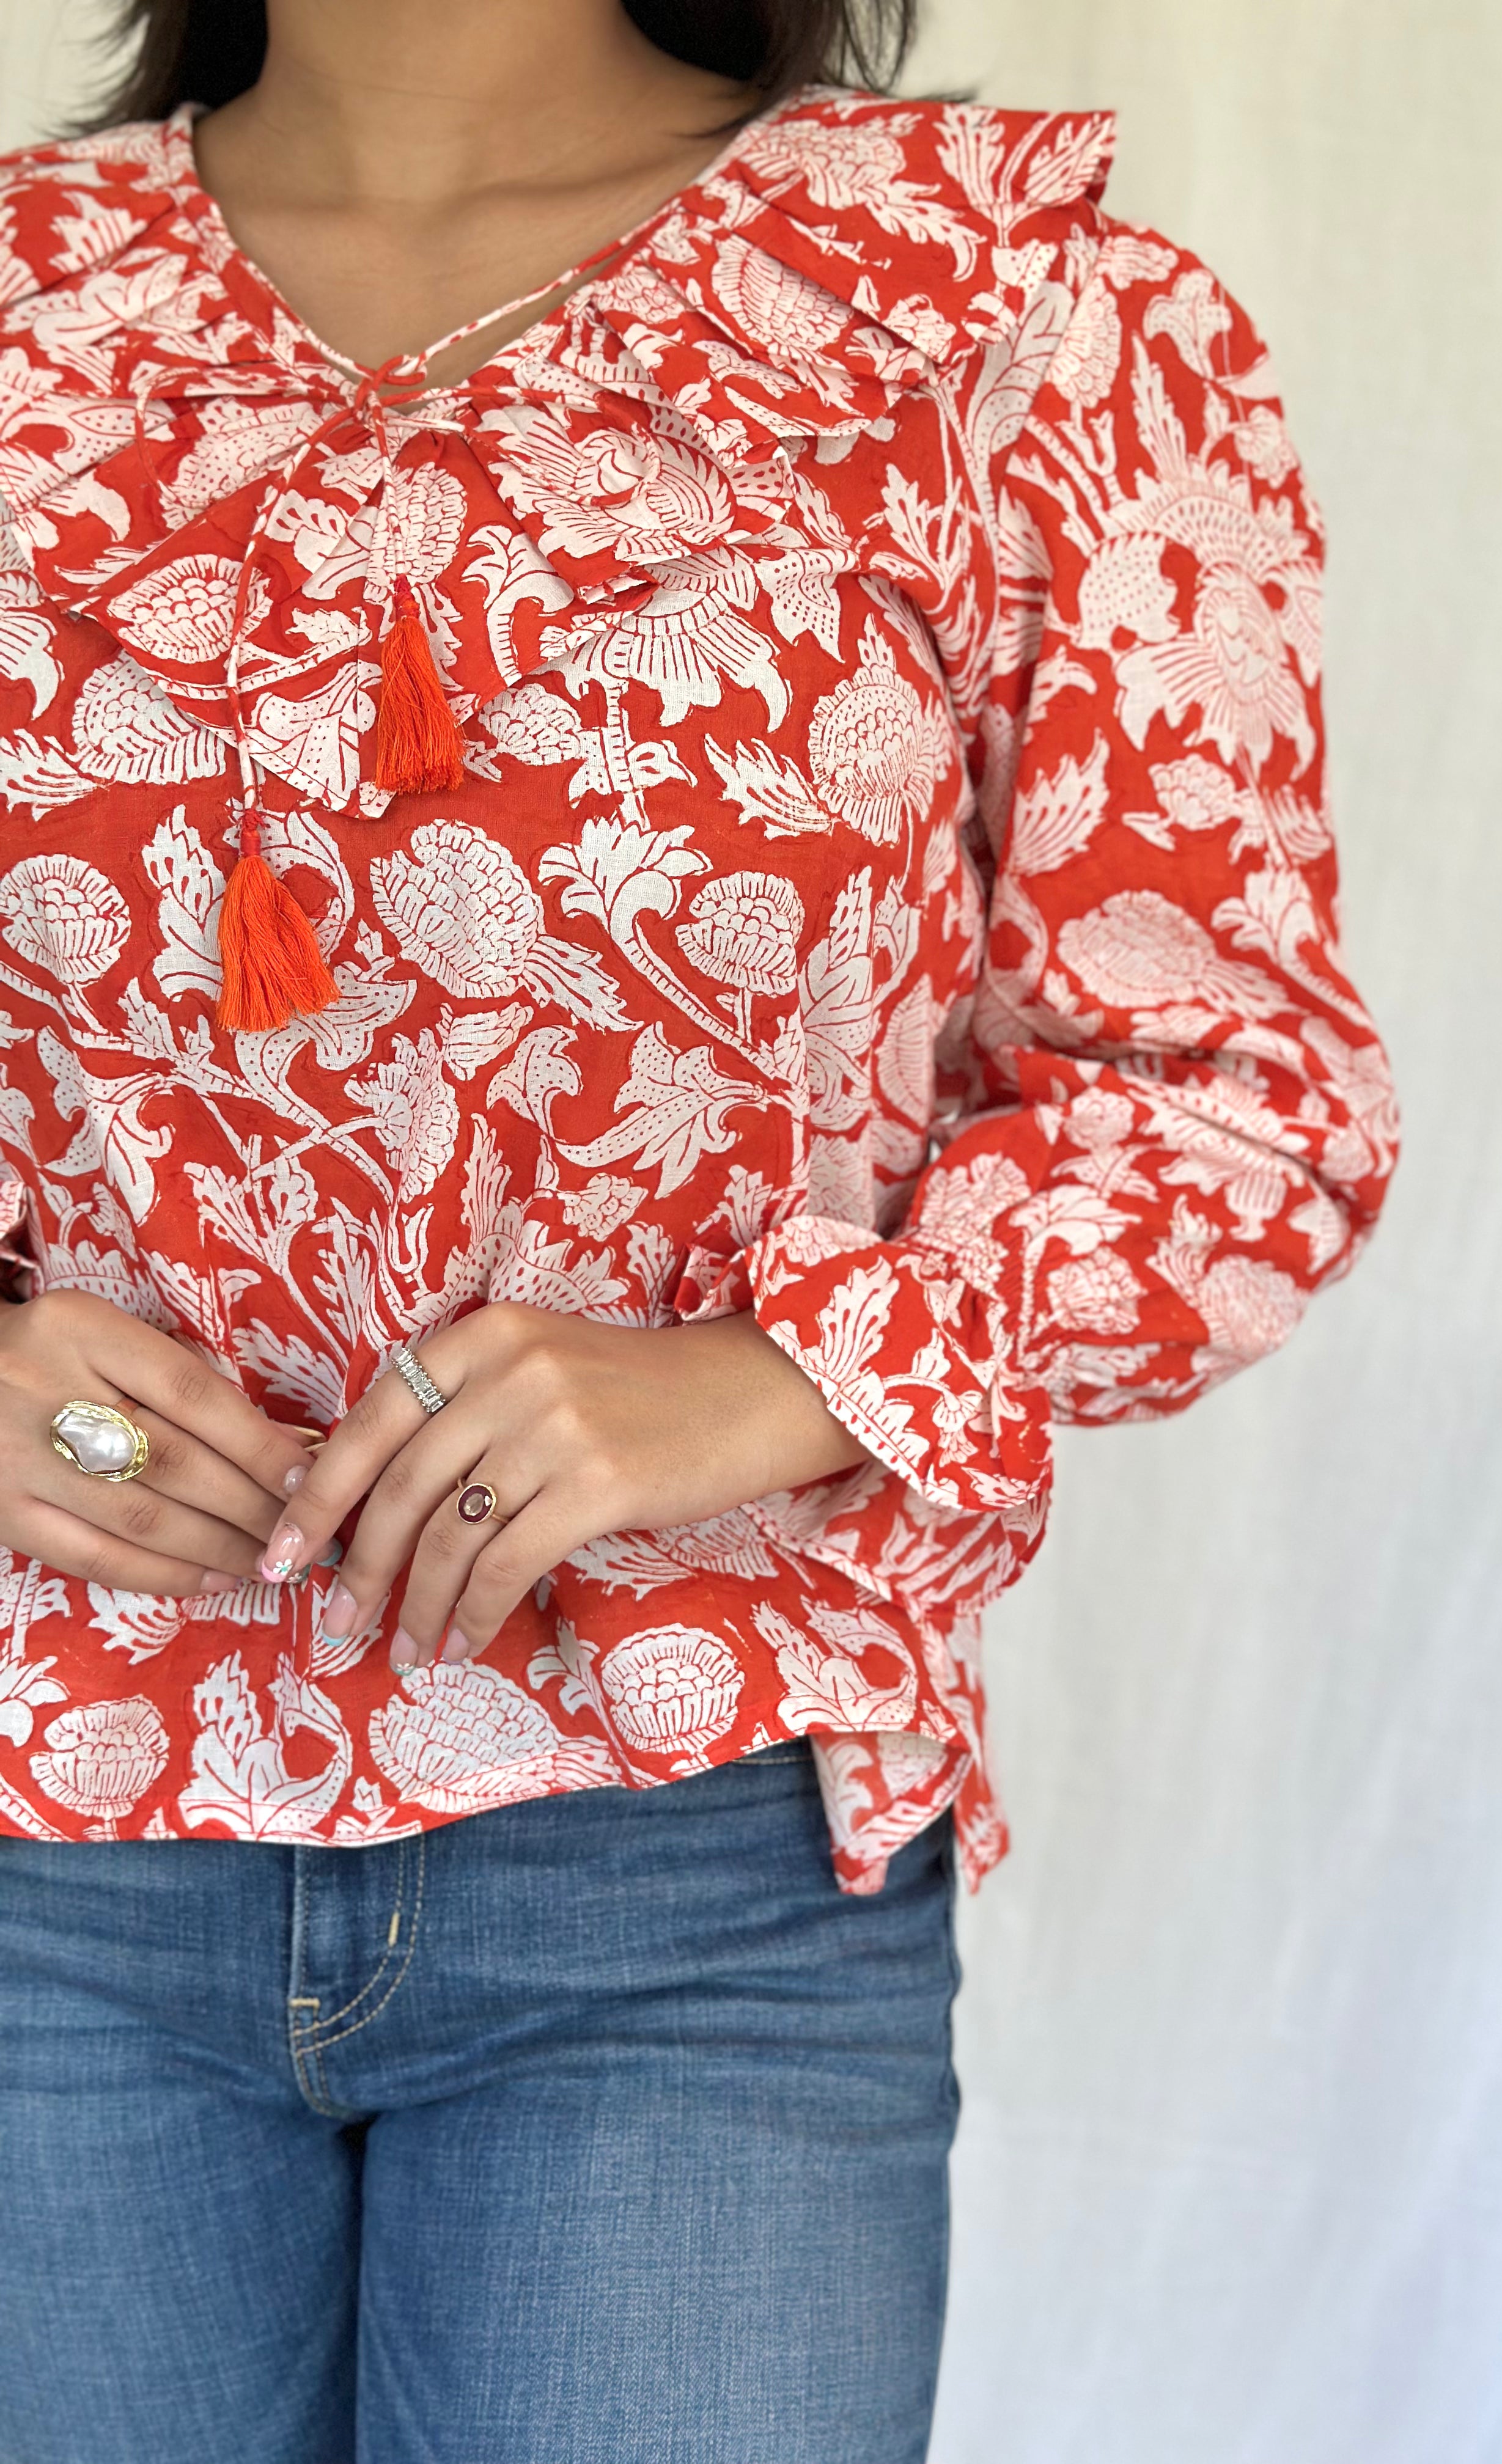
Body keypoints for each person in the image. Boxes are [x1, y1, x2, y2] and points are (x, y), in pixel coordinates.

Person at [0, 0, 1398, 2455]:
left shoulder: (1007, 325)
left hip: (689, 1870)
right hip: (38, 1833)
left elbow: (1244, 1102)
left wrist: (794, 1373)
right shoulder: (31, 314)